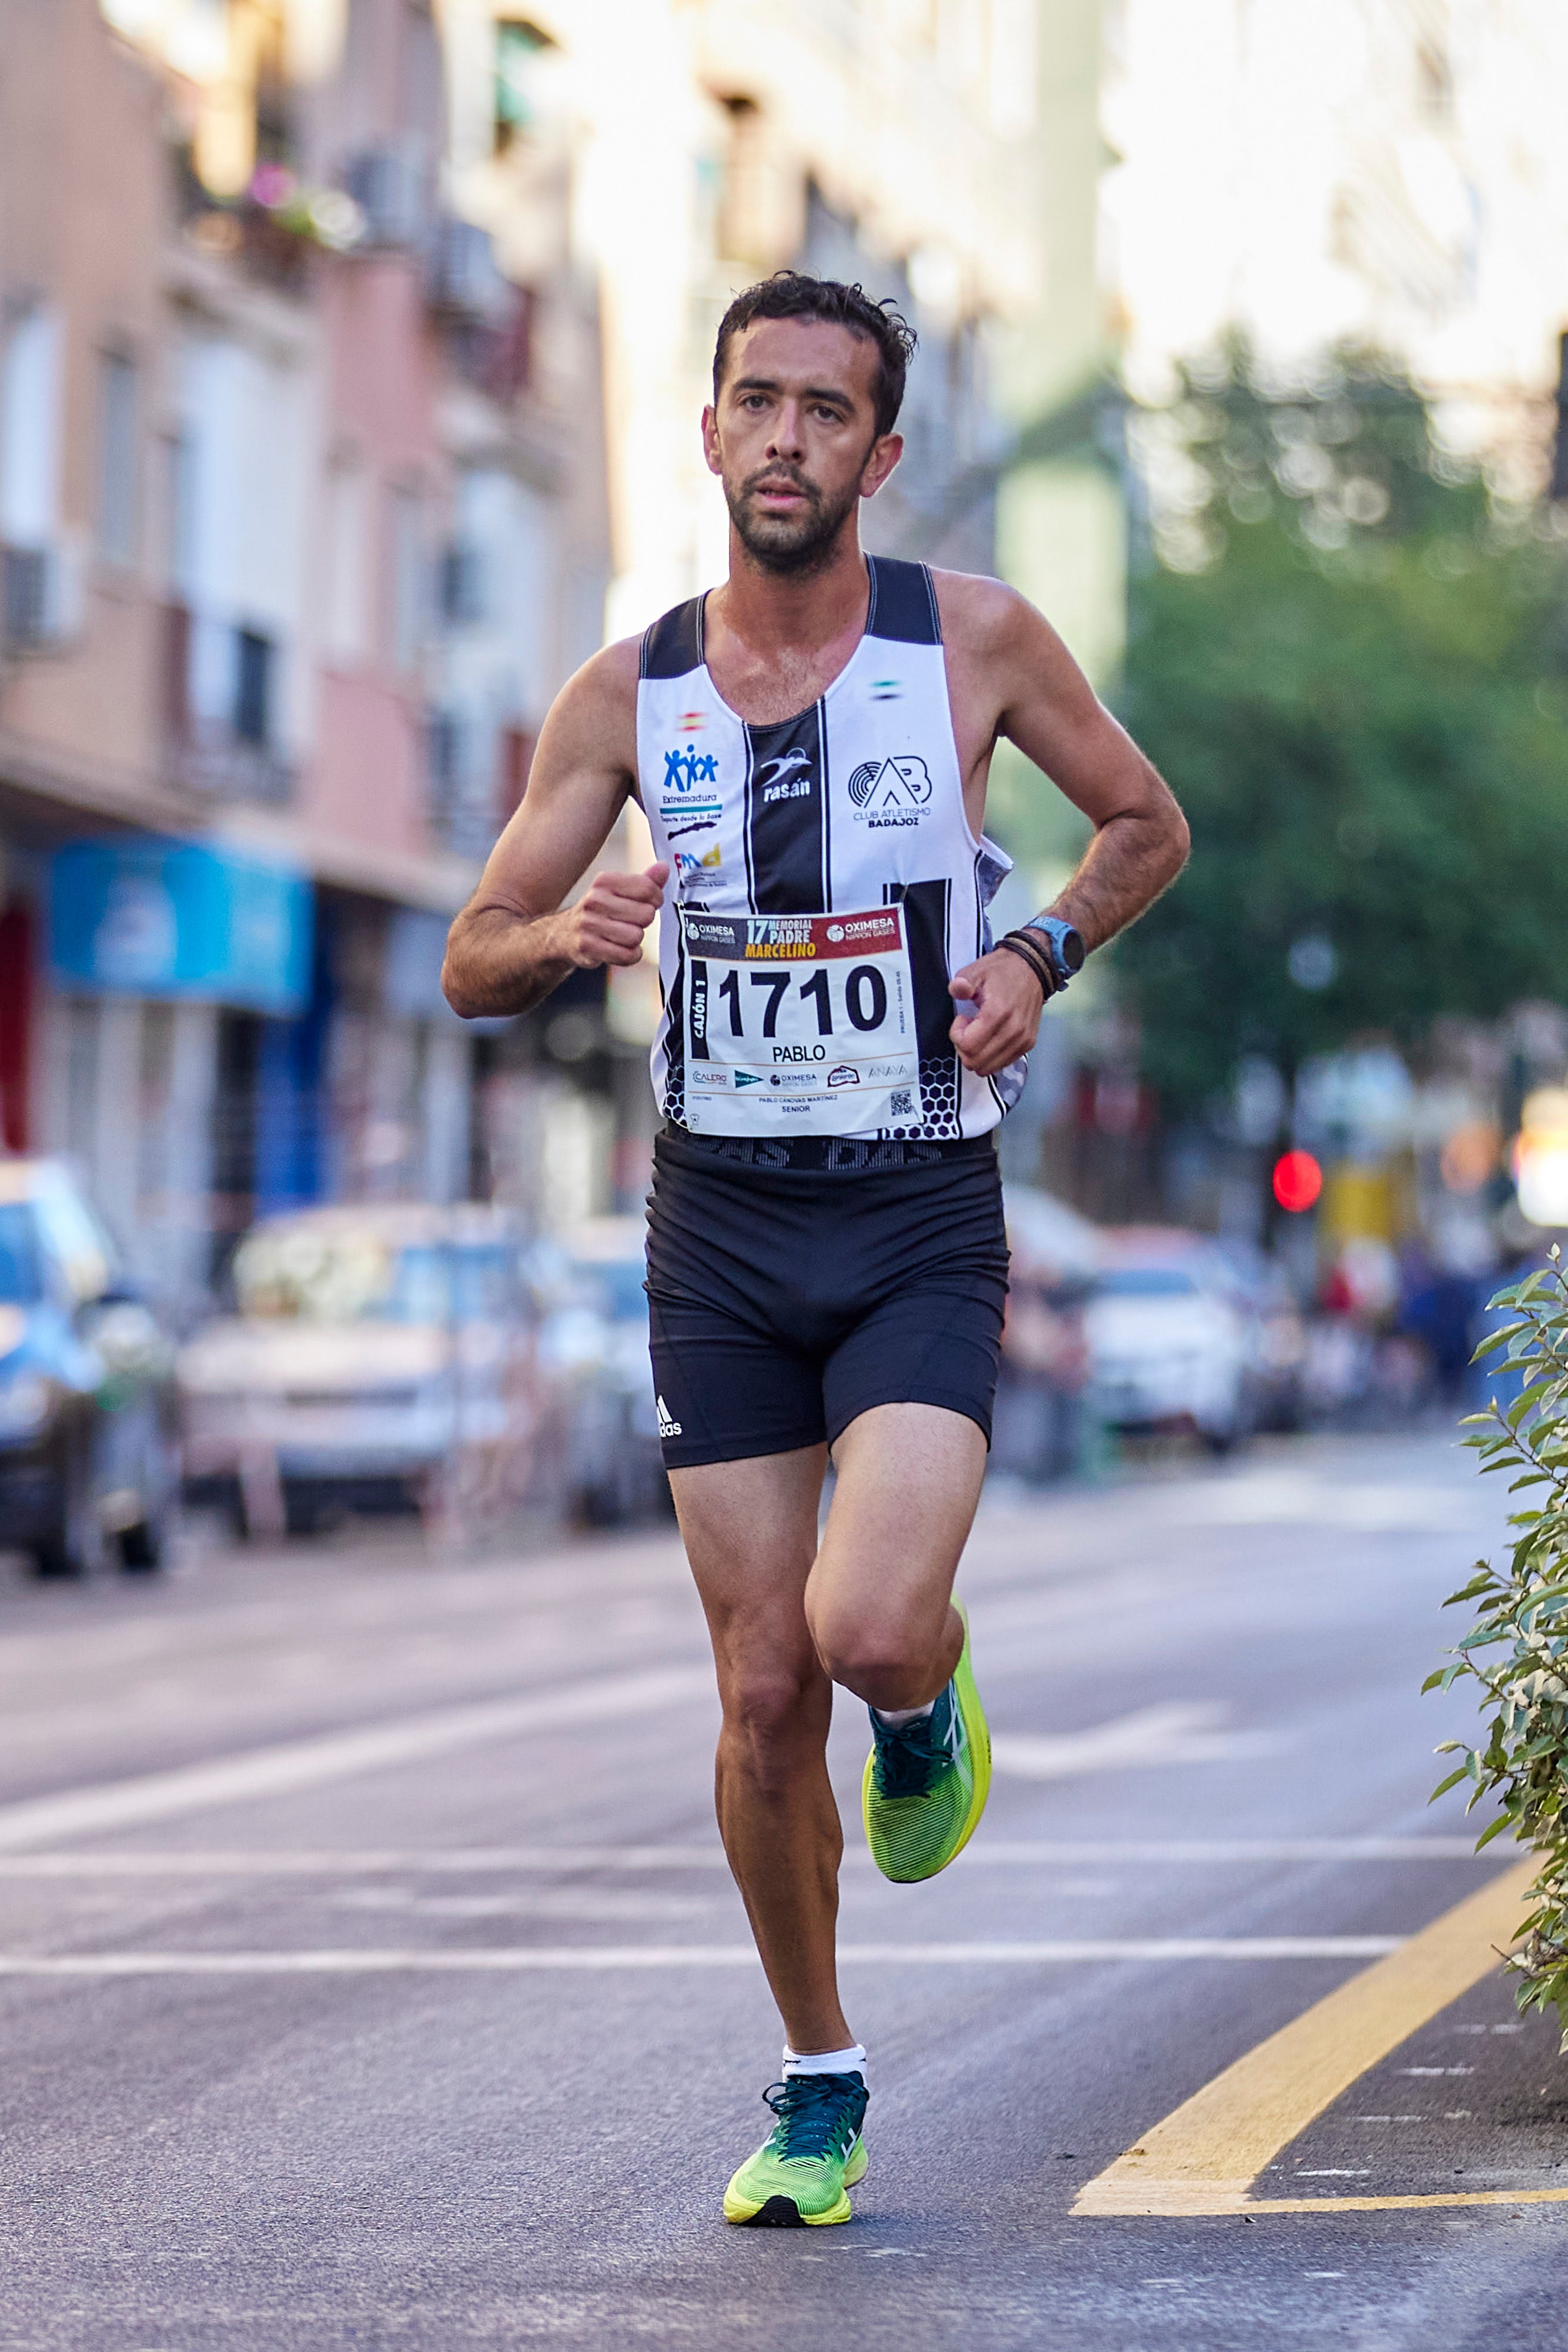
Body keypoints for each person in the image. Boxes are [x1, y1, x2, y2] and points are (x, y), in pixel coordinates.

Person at [443, 272, 1189, 2227]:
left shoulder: (972, 642)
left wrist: (1038, 950)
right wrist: (565, 936)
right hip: (717, 1228)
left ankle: (924, 1698)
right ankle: (816, 2082)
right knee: (763, 1686)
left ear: (880, 452)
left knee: (861, 1632)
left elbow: (1142, 822)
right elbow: (470, 956)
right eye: (756, 402)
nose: (785, 438)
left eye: (824, 411)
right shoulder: (625, 696)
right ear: (709, 432)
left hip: (914, 1208)